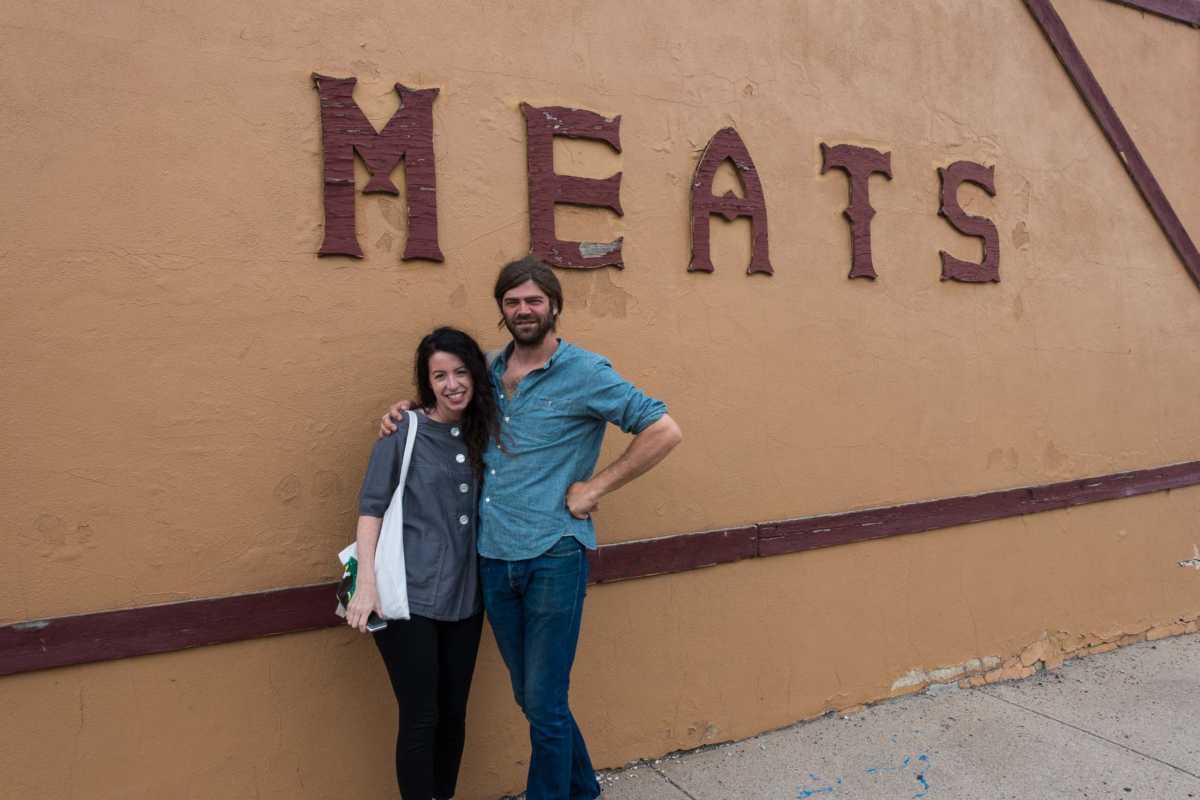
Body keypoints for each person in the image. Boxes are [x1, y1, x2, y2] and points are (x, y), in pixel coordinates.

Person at [381, 256, 683, 800]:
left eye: (534, 301)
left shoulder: (587, 372)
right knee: (534, 697)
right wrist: (405, 408)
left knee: (544, 702)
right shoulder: (488, 372)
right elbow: (445, 400)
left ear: (554, 306)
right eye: (513, 302)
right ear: (502, 310)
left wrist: (595, 488)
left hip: (553, 556)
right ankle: (584, 789)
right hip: (493, 560)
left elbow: (663, 428)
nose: (524, 310)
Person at [349, 326, 498, 800]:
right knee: (421, 715)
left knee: (454, 713)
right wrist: (365, 586)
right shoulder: (403, 431)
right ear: (426, 382)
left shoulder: (486, 433)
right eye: (439, 375)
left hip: (466, 598)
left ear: (475, 374)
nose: (451, 383)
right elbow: (372, 507)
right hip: (405, 598)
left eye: (460, 372)